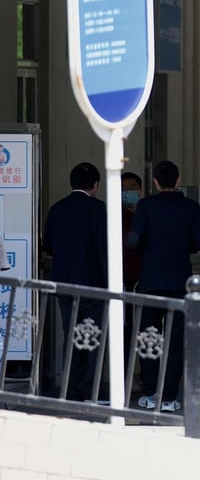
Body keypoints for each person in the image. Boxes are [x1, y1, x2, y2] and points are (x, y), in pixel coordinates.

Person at [130, 160, 200, 412]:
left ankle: (152, 392)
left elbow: (134, 241)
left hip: (150, 281)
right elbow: (198, 242)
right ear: (178, 180)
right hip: (180, 281)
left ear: (155, 182)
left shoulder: (145, 206)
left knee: (149, 336)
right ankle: (170, 397)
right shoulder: (191, 207)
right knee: (175, 339)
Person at [41, 162, 107, 401]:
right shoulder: (98, 209)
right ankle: (92, 390)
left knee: (71, 335)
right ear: (95, 184)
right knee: (92, 337)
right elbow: (104, 248)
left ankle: (71, 389)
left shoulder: (57, 209)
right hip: (93, 284)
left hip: (64, 283)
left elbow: (48, 243)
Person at [121, 171, 144, 292]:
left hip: (144, 276)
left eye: (132, 187)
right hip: (124, 276)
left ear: (140, 190)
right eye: (124, 188)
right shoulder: (116, 217)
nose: (128, 191)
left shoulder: (146, 214)